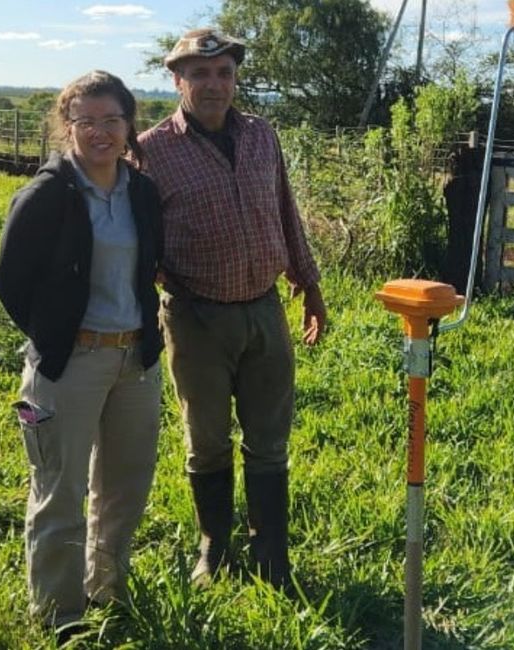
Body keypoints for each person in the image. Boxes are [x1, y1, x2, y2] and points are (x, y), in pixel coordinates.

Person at [137, 27, 327, 589]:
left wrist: (310, 285)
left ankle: (271, 554)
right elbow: (141, 245)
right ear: (177, 80)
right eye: (200, 73)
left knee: (270, 440)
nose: (214, 84)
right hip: (195, 318)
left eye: (224, 72)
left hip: (265, 311)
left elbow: (286, 211)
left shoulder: (262, 135)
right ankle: (213, 548)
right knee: (208, 440)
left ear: (235, 77)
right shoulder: (149, 152)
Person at [0, 70, 164, 643]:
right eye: (85, 121)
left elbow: (147, 268)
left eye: (111, 120)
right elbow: (10, 282)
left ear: (128, 124)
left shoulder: (140, 190)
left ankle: (106, 591)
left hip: (136, 361)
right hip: (70, 365)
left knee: (124, 488)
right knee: (59, 490)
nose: (100, 132)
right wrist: (57, 335)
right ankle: (60, 616)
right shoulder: (47, 195)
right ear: (67, 127)